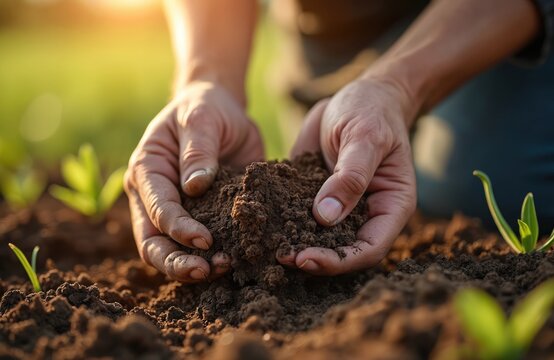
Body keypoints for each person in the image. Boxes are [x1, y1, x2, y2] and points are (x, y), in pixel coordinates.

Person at [124, 0, 554, 283]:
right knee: (327, 158)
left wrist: (398, 87)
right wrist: (207, 79)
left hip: (479, 19)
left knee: (482, 183)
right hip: (331, 30)